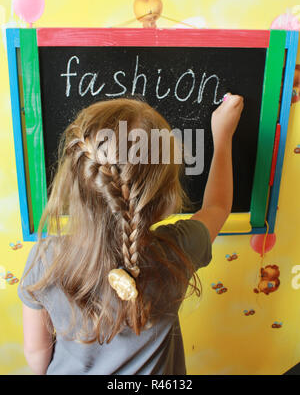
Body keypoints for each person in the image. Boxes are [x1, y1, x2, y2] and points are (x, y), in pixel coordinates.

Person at [18, 94, 243, 375]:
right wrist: (223, 137)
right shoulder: (179, 249)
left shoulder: (46, 258)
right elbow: (217, 207)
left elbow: (37, 352)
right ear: (166, 199)